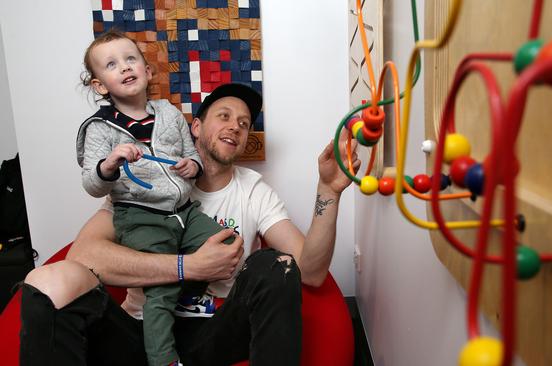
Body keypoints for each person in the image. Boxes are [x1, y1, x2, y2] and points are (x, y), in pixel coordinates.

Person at [19, 78, 360, 364]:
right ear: (195, 127)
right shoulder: (146, 183)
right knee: (51, 279)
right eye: (224, 116)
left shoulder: (253, 190)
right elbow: (83, 257)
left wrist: (328, 190)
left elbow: (311, 272)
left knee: (277, 264)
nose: (235, 127)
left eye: (244, 124)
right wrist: (189, 267)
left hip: (213, 333)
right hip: (138, 331)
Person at [75, 29, 235, 366]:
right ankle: (163, 359)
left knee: (225, 243)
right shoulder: (99, 128)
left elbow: (192, 152)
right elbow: (92, 184)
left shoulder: (169, 113)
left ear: (147, 72)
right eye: (112, 64)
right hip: (141, 216)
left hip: (183, 210)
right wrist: (111, 163)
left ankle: (188, 299)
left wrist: (191, 165)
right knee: (160, 289)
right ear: (100, 85)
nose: (124, 67)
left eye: (130, 59)